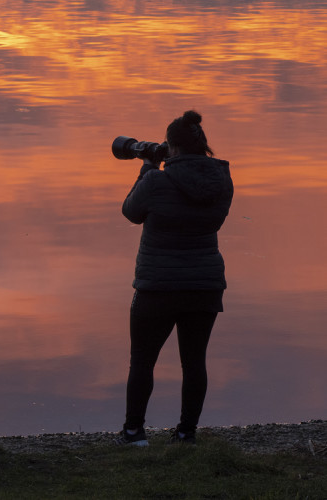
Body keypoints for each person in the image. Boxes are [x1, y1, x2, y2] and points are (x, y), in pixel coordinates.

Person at [114, 110, 234, 446]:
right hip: (205, 285)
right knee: (194, 361)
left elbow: (130, 212)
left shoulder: (156, 180)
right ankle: (186, 434)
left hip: (158, 286)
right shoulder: (222, 179)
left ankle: (134, 433)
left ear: (172, 148)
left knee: (143, 360)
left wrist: (148, 169)